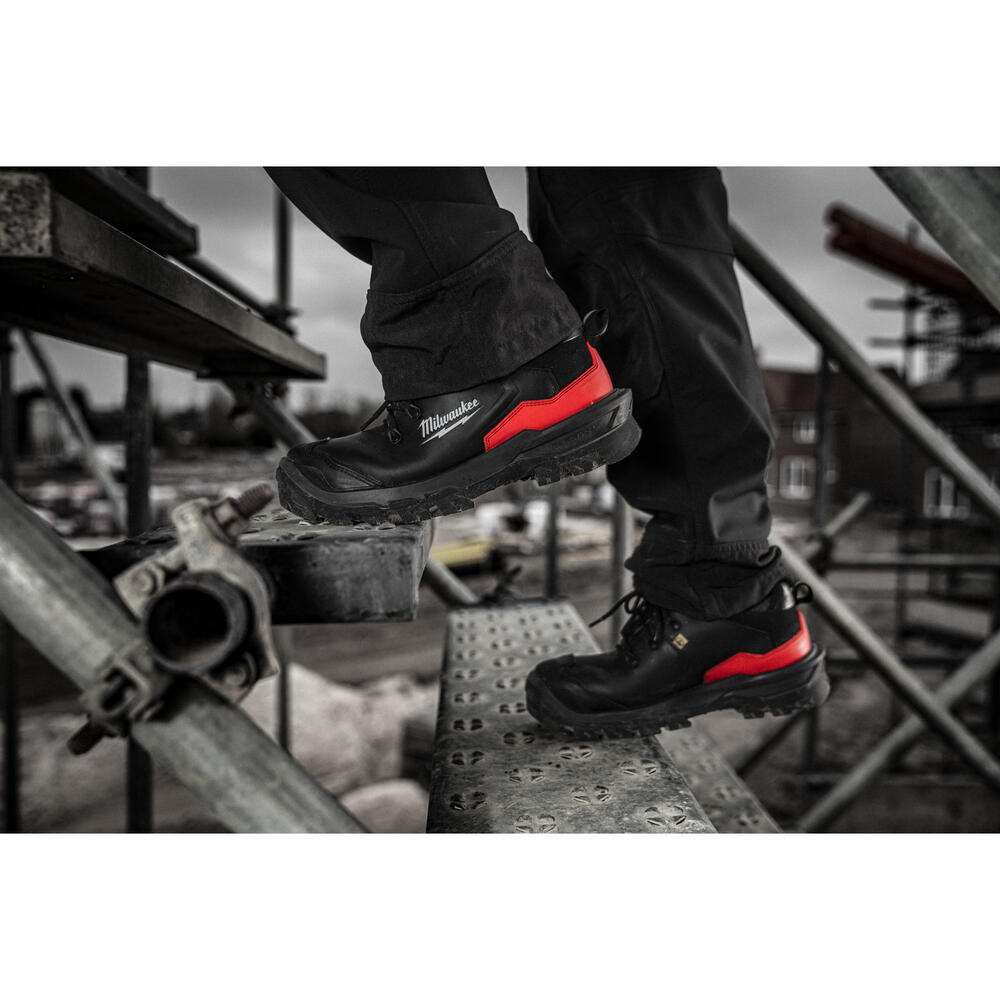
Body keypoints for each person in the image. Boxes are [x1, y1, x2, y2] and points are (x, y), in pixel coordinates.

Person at [265, 167, 829, 738]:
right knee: (627, 190)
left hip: (495, 352)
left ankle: (486, 369)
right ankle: (722, 584)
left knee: (627, 189)